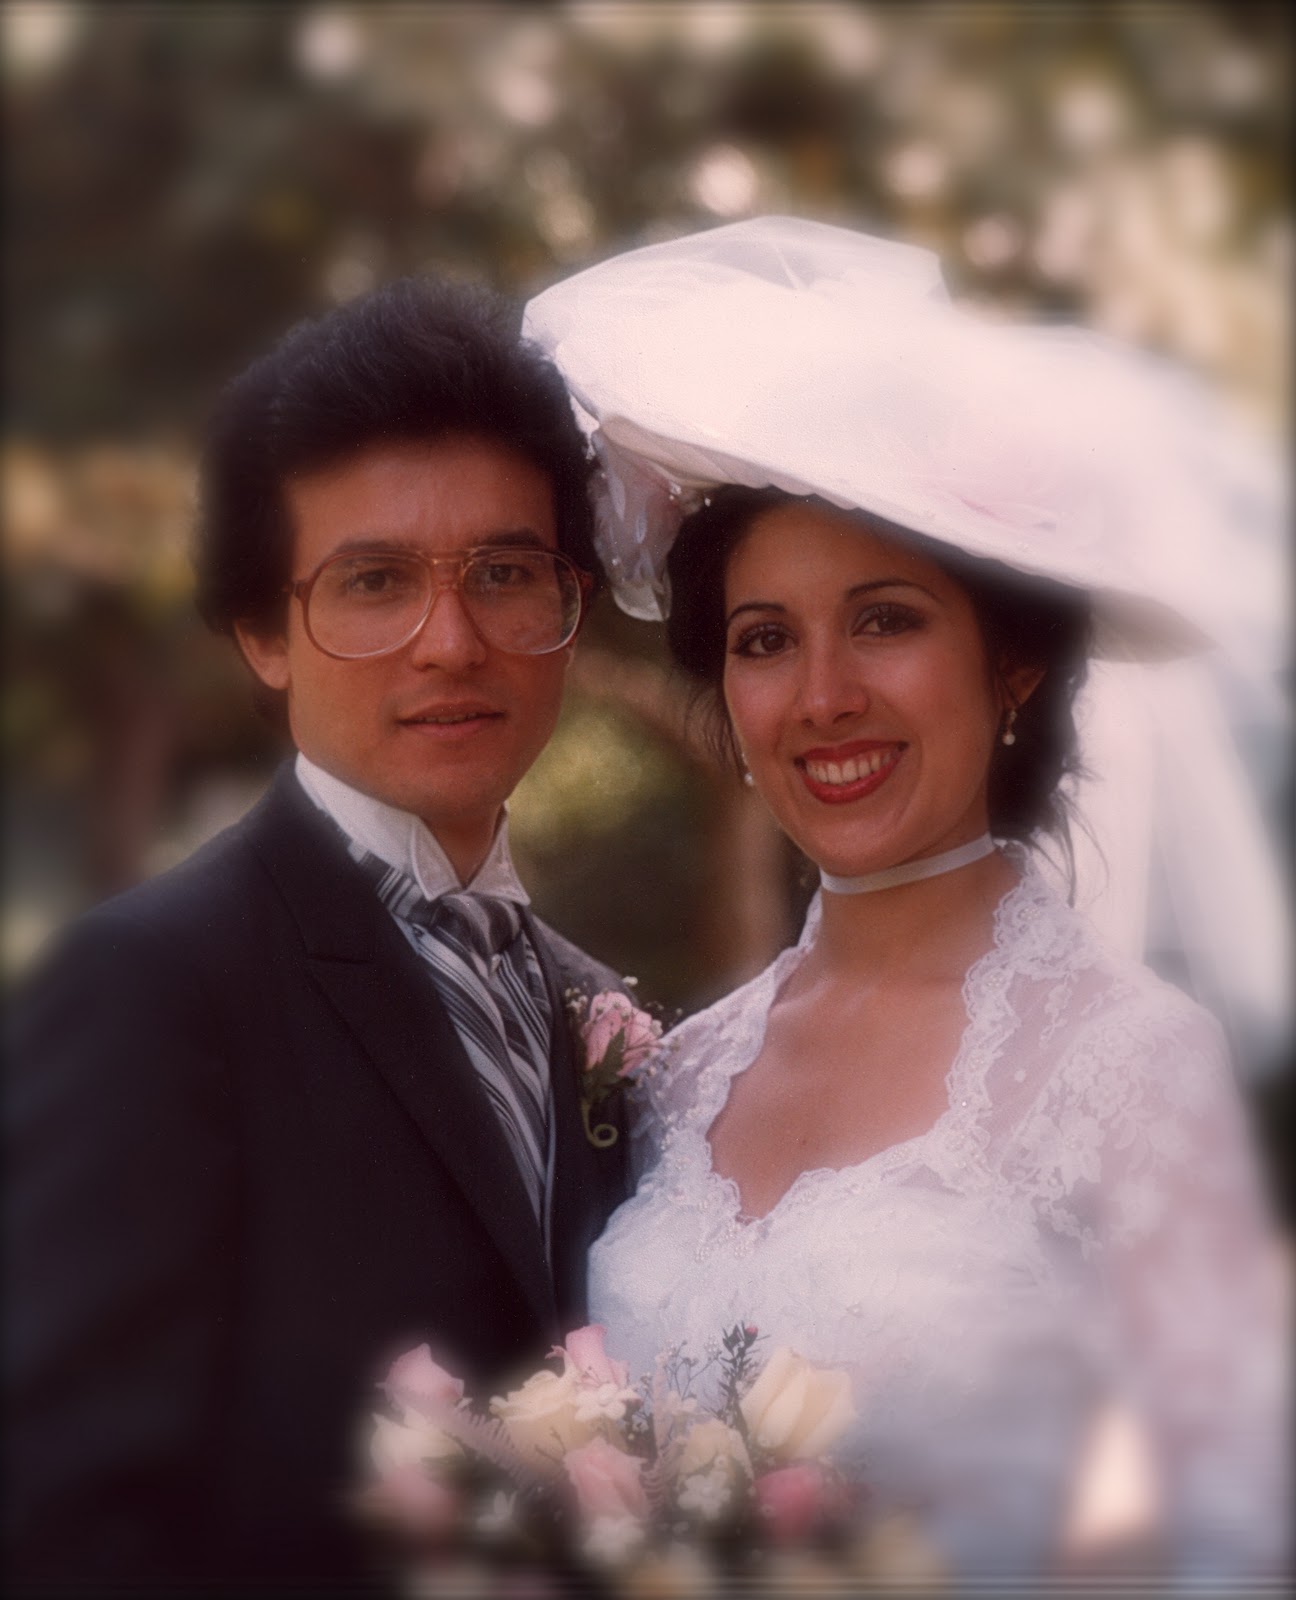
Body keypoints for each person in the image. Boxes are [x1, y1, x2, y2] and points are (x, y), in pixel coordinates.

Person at [524, 217, 1289, 1581]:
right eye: (767, 640)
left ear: (1013, 663)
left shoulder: (1128, 1065)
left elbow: (1225, 1540)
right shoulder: (681, 1078)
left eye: (885, 619)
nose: (824, 696)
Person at [6, 277, 631, 1590]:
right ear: (262, 633)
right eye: (374, 582)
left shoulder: (602, 1012)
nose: (451, 642)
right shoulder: (152, 991)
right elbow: (58, 1527)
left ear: (570, 601)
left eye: (506, 574)